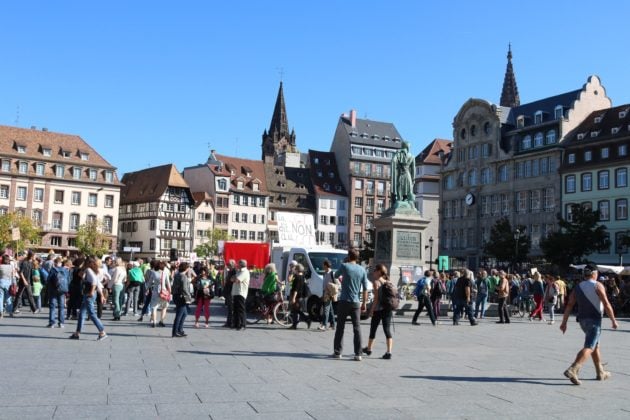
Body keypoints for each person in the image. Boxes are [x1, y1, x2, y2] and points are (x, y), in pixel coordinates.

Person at [560, 266, 618, 385]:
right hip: (594, 320)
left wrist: (564, 322)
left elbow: (570, 304)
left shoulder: (578, 287)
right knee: (589, 346)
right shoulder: (597, 285)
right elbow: (606, 303)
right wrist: (613, 320)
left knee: (595, 345)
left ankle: (600, 372)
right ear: (594, 273)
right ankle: (573, 369)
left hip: (582, 320)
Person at [332, 248, 369, 361]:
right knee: (357, 328)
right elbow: (365, 288)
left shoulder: (344, 266)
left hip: (344, 301)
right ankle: (358, 353)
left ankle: (338, 352)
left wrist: (344, 281)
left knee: (340, 327)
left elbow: (335, 275)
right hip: (356, 302)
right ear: (358, 258)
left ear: (349, 256)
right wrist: (364, 303)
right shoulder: (362, 270)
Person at [69, 256, 108, 341]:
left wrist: (91, 292)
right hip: (90, 294)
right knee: (82, 313)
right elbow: (97, 283)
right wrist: (101, 295)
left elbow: (94, 282)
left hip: (89, 294)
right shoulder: (93, 271)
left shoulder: (89, 270)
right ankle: (77, 333)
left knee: (91, 314)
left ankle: (102, 331)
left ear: (87, 263)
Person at [362, 264, 394, 359]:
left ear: (379, 272)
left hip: (378, 310)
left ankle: (369, 349)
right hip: (387, 309)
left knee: (373, 329)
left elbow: (376, 299)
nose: (373, 272)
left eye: (375, 270)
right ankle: (389, 352)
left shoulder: (376, 282)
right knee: (387, 330)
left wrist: (371, 311)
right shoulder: (388, 282)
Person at [171, 262, 193, 338]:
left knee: (185, 313)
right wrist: (189, 297)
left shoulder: (177, 275)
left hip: (176, 296)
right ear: (186, 268)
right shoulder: (183, 276)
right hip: (181, 297)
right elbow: (184, 288)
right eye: (189, 267)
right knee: (179, 315)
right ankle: (175, 331)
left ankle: (180, 330)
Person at [13, 250, 38, 315]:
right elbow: (21, 272)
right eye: (34, 255)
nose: (35, 257)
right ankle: (33, 309)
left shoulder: (31, 262)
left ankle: (34, 309)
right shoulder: (25, 262)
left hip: (28, 281)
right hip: (24, 281)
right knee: (20, 295)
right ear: (31, 256)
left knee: (27, 295)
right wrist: (24, 280)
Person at [47, 257, 69, 328]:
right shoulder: (65, 270)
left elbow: (48, 279)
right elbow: (68, 279)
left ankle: (52, 323)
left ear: (55, 263)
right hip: (62, 290)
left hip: (53, 290)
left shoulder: (53, 270)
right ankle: (61, 323)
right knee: (61, 307)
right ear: (61, 263)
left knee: (52, 306)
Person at [149, 260, 171, 328]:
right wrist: (170, 292)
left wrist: (147, 289)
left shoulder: (153, 273)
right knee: (164, 307)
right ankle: (161, 321)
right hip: (164, 292)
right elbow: (168, 283)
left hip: (155, 292)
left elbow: (150, 282)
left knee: (154, 307)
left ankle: (154, 322)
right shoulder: (165, 273)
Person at [319, 260, 339, 330]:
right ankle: (333, 324)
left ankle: (324, 325)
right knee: (330, 310)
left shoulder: (332, 273)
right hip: (325, 292)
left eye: (323, 265)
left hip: (329, 293)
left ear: (325, 265)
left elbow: (338, 284)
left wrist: (331, 289)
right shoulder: (325, 273)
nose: (322, 266)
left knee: (326, 309)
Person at [289, 263, 311, 329]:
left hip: (297, 296)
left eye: (295, 269)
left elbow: (296, 289)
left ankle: (306, 319)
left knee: (296, 310)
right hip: (301, 296)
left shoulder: (297, 278)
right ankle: (295, 324)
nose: (294, 270)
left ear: (297, 269)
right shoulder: (303, 277)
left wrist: (293, 298)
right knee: (296, 310)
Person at [231, 259, 249, 331]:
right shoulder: (239, 271)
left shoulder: (244, 272)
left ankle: (243, 324)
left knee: (241, 309)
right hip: (236, 292)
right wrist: (234, 278)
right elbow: (231, 279)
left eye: (238, 263)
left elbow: (237, 280)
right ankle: (237, 324)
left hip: (241, 292)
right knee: (235, 309)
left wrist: (234, 279)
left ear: (241, 264)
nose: (237, 265)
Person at [222, 260, 237, 328]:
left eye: (229, 265)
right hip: (228, 291)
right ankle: (228, 322)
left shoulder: (234, 272)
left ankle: (230, 322)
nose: (228, 266)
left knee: (231, 308)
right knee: (229, 308)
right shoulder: (230, 271)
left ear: (232, 265)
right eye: (228, 265)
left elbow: (232, 281)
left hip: (230, 291)